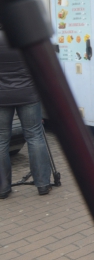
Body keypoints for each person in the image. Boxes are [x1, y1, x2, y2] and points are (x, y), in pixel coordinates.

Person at [0, 27, 53, 198]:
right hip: (28, 94)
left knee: (1, 140)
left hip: (2, 96)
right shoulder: (24, 36)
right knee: (35, 136)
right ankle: (43, 184)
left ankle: (3, 188)